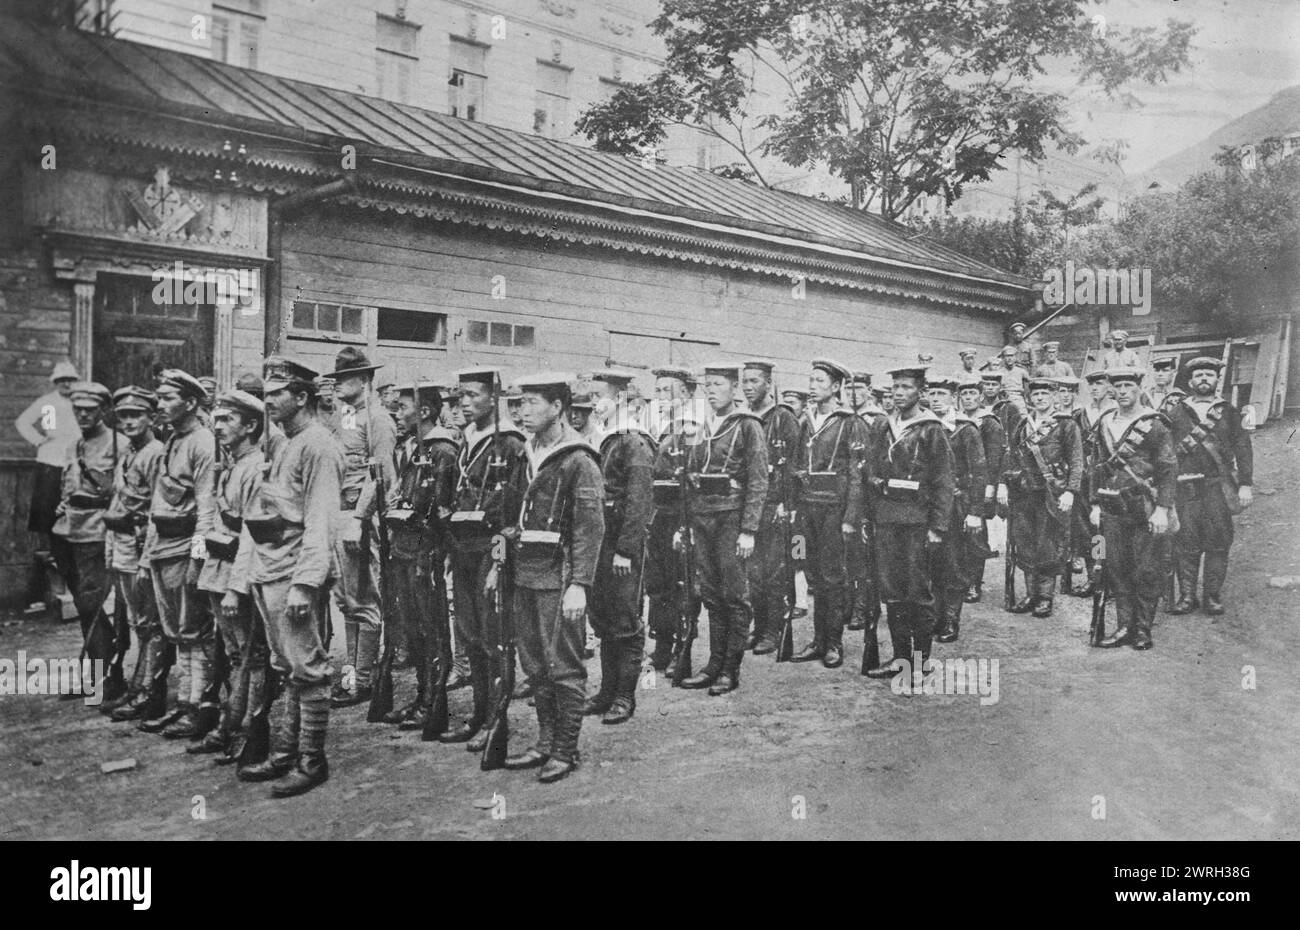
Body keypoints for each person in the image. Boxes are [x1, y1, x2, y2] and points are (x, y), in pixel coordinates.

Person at [237, 357, 344, 796]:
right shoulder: (285, 443)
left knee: (308, 667)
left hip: (294, 571)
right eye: (265, 395)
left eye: (276, 394)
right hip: (270, 568)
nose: (268, 402)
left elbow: (321, 520)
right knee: (286, 666)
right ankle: (285, 754)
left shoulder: (319, 445)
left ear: (302, 397)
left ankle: (311, 760)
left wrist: (306, 582)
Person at [503, 372, 604, 783]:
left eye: (532, 402)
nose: (523, 411)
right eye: (520, 402)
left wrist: (579, 584)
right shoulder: (526, 454)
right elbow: (507, 517)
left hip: (559, 578)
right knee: (534, 665)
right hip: (524, 574)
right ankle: (545, 741)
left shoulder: (578, 459)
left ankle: (565, 749)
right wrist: (498, 563)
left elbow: (589, 527)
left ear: (558, 407)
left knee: (564, 665)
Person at [444, 367, 525, 745]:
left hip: (491, 550)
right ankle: (479, 711)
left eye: (474, 395)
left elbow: (512, 517)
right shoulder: (467, 439)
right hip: (463, 549)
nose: (465, 401)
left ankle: (497, 717)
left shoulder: (509, 443)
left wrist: (499, 559)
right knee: (470, 634)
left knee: (495, 637)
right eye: (461, 395)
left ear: (495, 398)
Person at [677, 362, 767, 693]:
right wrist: (684, 525)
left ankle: (730, 668)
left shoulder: (747, 426)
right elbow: (687, 477)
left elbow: (759, 480)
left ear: (734, 389)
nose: (711, 390)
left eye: (718, 384)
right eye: (707, 385)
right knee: (711, 594)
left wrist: (749, 530)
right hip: (702, 518)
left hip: (731, 518)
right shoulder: (699, 427)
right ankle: (713, 664)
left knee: (735, 595)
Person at [139, 369, 218, 738]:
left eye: (169, 398)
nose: (161, 404)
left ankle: (197, 708)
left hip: (186, 549)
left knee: (195, 632)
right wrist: (146, 557)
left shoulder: (203, 441)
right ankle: (184, 703)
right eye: (160, 397)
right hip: (163, 550)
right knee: (177, 632)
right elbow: (159, 501)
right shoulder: (171, 440)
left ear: (190, 402)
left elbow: (206, 508)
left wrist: (198, 561)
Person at [863, 366, 954, 679]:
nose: (898, 393)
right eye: (895, 388)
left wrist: (938, 527)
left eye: (905, 387)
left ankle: (921, 662)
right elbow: (870, 470)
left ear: (921, 392)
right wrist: (875, 490)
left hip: (917, 521)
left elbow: (944, 481)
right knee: (892, 590)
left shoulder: (931, 429)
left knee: (917, 592)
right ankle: (900, 659)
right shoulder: (882, 426)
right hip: (886, 519)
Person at [191, 390, 268, 761]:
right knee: (236, 656)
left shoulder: (255, 468)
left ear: (251, 425)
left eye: (228, 420)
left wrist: (237, 589)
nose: (217, 426)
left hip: (240, 574)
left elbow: (251, 534)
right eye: (216, 419)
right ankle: (229, 727)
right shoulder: (232, 464)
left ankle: (249, 733)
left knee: (251, 657)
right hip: (218, 570)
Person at [384, 383, 459, 732]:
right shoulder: (415, 448)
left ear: (425, 411)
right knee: (413, 628)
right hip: (405, 548)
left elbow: (442, 508)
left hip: (425, 553)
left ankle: (433, 701)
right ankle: (421, 695)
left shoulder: (442, 450)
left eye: (403, 407)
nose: (397, 413)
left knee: (431, 630)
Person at [326, 347, 397, 709]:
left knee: (365, 600)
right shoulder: (346, 417)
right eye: (336, 378)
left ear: (365, 380)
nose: (337, 384)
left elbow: (382, 476)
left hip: (361, 518)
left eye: (345, 378)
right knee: (347, 601)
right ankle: (351, 675)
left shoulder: (378, 420)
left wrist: (358, 518)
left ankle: (363, 679)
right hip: (340, 515)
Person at [583, 369, 655, 723]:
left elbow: (639, 502)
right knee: (603, 617)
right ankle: (606, 690)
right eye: (593, 396)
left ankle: (625, 697)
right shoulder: (604, 437)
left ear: (623, 398)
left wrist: (626, 549)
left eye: (601, 396)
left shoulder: (633, 441)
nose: (595, 403)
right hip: (601, 540)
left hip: (621, 543)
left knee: (625, 618)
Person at [1089, 368, 1177, 650]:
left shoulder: (1155, 425)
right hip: (1112, 508)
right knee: (1116, 567)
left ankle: (1142, 629)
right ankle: (1124, 626)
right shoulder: (1104, 422)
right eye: (1118, 386)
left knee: (1146, 569)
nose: (1123, 391)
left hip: (1144, 507)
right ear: (1111, 391)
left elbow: (1167, 469)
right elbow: (1096, 466)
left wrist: (1163, 508)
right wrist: (1093, 503)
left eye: (1129, 385)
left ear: (1139, 388)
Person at [791, 358, 867, 669]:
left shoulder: (850, 422)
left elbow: (856, 474)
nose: (813, 387)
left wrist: (851, 516)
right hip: (807, 508)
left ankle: (833, 642)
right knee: (811, 573)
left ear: (836, 387)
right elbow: (795, 465)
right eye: (811, 381)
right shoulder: (805, 421)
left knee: (833, 576)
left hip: (835, 509)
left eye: (820, 382)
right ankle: (817, 640)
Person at [1166, 357, 1253, 616]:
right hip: (1185, 489)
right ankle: (1187, 596)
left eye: (1209, 375)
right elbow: (1166, 454)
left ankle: (1212, 596)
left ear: (1217, 380)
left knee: (1218, 542)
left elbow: (1244, 449)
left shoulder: (1229, 411)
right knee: (1185, 542)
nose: (1204, 379)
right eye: (1199, 375)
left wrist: (1245, 484)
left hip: (1218, 488)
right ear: (1190, 381)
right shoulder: (1175, 413)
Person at [53, 382, 123, 699]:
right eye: (77, 409)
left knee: (93, 606)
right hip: (69, 531)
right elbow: (68, 486)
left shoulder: (117, 444)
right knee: (84, 606)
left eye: (89, 409)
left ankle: (100, 677)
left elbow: (121, 494)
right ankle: (100, 670)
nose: (82, 414)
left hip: (98, 532)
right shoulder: (74, 445)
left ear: (103, 410)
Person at [101, 387, 166, 722]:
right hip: (122, 542)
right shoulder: (129, 451)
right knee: (134, 621)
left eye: (135, 415)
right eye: (123, 416)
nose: (127, 421)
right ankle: (137, 686)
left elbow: (158, 507)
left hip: (141, 543)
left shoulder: (156, 452)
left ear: (151, 418)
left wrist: (146, 555)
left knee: (148, 622)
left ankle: (148, 693)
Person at [1005, 377, 1084, 618]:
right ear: (1030, 398)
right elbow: (1011, 456)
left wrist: (1071, 491)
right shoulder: (1022, 424)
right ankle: (1031, 595)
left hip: (1052, 493)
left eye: (1044, 395)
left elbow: (1076, 460)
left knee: (1048, 544)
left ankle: (1045, 597)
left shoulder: (1066, 425)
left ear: (1054, 397)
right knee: (1025, 543)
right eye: (1036, 395)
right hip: (1024, 493)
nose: (1039, 398)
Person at [644, 366, 701, 673]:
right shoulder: (658, 427)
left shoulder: (693, 428)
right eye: (658, 391)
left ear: (688, 394)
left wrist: (688, 525)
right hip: (658, 515)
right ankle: (663, 645)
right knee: (659, 585)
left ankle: (683, 647)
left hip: (681, 515)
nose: (662, 396)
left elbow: (694, 481)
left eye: (669, 391)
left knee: (684, 585)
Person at [741, 360, 801, 655]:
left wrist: (785, 503)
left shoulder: (783, 417)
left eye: (754, 381)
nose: (748, 387)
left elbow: (793, 464)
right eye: (745, 382)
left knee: (775, 571)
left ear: (768, 384)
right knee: (753, 571)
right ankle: (759, 625)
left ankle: (774, 630)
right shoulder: (743, 418)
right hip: (751, 505)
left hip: (775, 504)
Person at [927, 375, 986, 643]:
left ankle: (951, 620)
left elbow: (979, 473)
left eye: (942, 394)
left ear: (954, 398)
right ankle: (934, 617)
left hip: (956, 507)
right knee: (931, 564)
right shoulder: (925, 426)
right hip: (927, 507)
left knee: (953, 563)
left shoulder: (966, 429)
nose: (936, 399)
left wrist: (975, 511)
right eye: (933, 393)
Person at [16, 360, 81, 542]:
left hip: (74, 461)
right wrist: (39, 440)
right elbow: (23, 422)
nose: (67, 384)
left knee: (72, 506)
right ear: (55, 382)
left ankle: (67, 548)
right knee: (48, 508)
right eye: (62, 380)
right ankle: (50, 548)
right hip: (51, 461)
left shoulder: (80, 401)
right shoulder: (48, 403)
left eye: (70, 379)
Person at [844, 371, 885, 633]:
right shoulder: (844, 418)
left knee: (866, 557)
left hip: (870, 498)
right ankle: (850, 604)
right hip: (846, 496)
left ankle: (865, 606)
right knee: (847, 557)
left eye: (859, 388)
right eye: (849, 388)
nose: (854, 393)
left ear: (869, 390)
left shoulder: (879, 420)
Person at [960, 374, 1005, 603]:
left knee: (976, 537)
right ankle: (959, 580)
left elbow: (995, 458)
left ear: (980, 396)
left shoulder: (989, 422)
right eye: (964, 394)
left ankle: (974, 583)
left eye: (972, 394)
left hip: (980, 485)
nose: (968, 398)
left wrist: (991, 486)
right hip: (960, 485)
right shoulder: (956, 420)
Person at [993, 345, 1029, 412]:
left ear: (1015, 357)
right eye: (1007, 356)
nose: (1009, 358)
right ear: (1003, 358)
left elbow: (1028, 385)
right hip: (1004, 400)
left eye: (1011, 356)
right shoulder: (999, 373)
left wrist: (1026, 399)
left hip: (1019, 400)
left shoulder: (1021, 371)